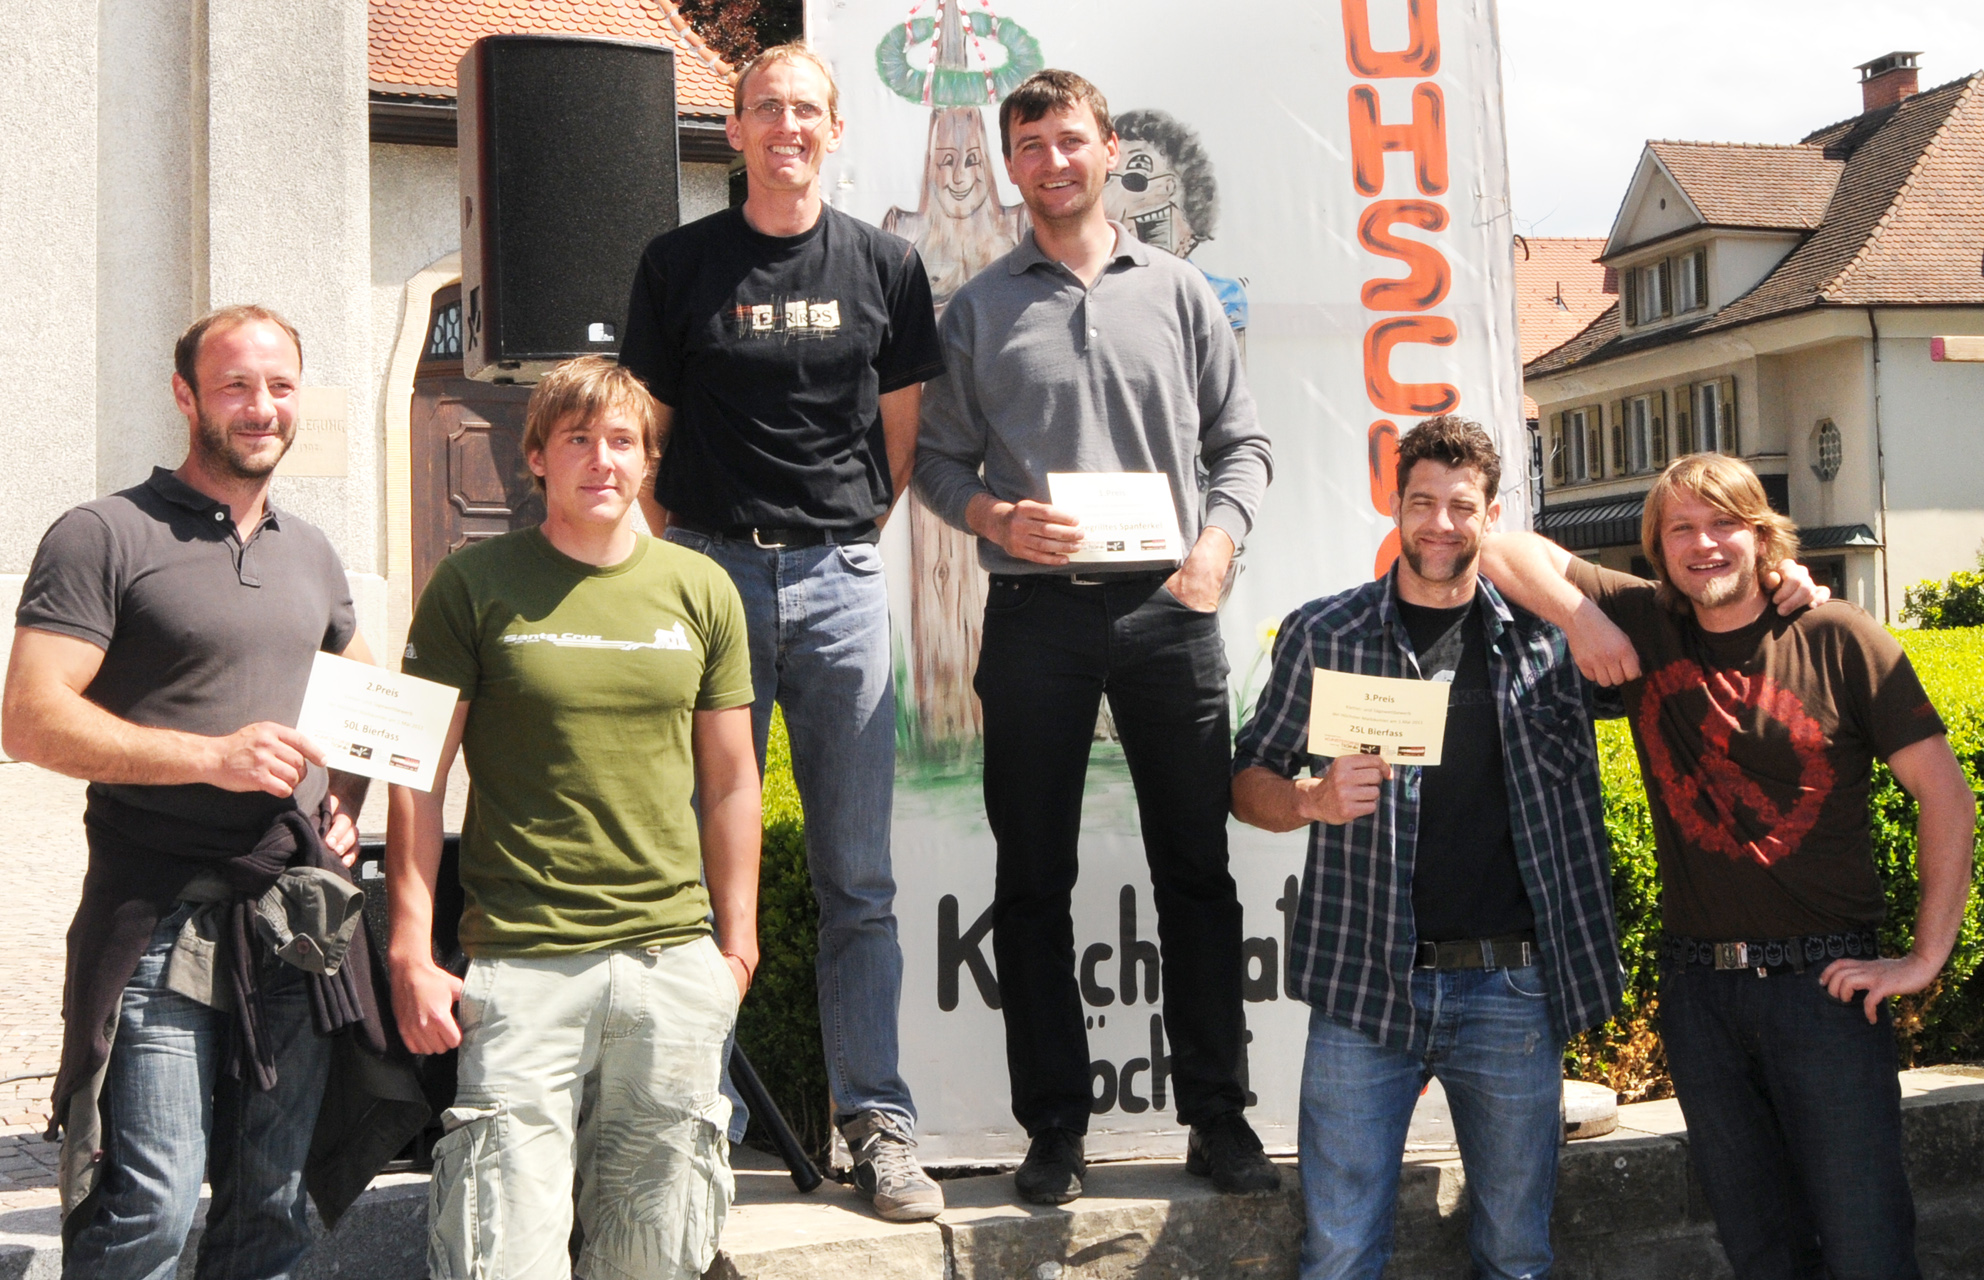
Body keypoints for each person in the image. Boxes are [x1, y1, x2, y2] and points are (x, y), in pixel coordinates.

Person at [915, 67, 1278, 1204]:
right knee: (1031, 879)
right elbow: (934, 463)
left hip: (1170, 611)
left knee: (1197, 872)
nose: (1052, 161)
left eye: (1070, 140)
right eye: (1030, 145)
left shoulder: (1181, 292)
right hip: (1036, 614)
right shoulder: (976, 311)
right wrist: (991, 516)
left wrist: (1217, 548)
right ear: (1011, 164)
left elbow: (1242, 446)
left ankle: (1217, 1117)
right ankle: (1054, 1129)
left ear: (1107, 150)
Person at [1479, 453, 1977, 1280]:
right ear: (1657, 546)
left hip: (1824, 992)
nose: (1703, 544)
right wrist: (1581, 619)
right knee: (1759, 1252)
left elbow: (1948, 798)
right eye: (1681, 528)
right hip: (1699, 996)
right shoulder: (1643, 621)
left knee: (1867, 1248)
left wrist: (1926, 958)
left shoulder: (1839, 637)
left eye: (1724, 525)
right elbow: (1500, 548)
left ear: (1763, 536)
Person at [617, 40, 947, 1221]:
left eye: (807, 108)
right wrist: (691, 560)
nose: (787, 126)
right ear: (737, 129)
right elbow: (644, 436)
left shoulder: (885, 265)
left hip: (841, 579)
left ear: (834, 128)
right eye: (767, 108)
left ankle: (877, 1124)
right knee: (698, 865)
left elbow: (898, 442)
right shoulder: (678, 265)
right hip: (707, 576)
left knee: (858, 875)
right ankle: (698, 1119)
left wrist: (837, 540)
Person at [4, 305, 375, 1280]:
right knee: (151, 1204)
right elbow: (29, 717)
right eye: (235, 385)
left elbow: (365, 698)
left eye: (281, 386)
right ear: (185, 395)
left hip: (294, 920)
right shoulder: (104, 533)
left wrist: (348, 796)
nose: (262, 406)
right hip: (157, 915)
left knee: (276, 1204)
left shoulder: (312, 550)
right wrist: (207, 757)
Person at [386, 357, 760, 1280]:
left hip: (670, 965)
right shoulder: (472, 584)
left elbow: (731, 782)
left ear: (648, 460)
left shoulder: (701, 589)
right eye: (579, 439)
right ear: (536, 457)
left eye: (623, 441)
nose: (603, 459)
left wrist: (737, 951)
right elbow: (416, 777)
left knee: (656, 1259)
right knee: (501, 1256)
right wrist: (409, 950)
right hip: (523, 964)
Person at [1229, 416, 1623, 1278]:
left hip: (1513, 990)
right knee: (1339, 1254)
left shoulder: (1551, 638)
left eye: (1462, 506)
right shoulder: (1326, 633)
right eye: (1422, 503)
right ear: (1393, 505)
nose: (1440, 524)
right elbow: (1246, 780)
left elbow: (1698, 620)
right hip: (1365, 985)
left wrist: (1784, 580)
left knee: (1517, 1254)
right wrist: (1309, 800)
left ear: (1492, 516)